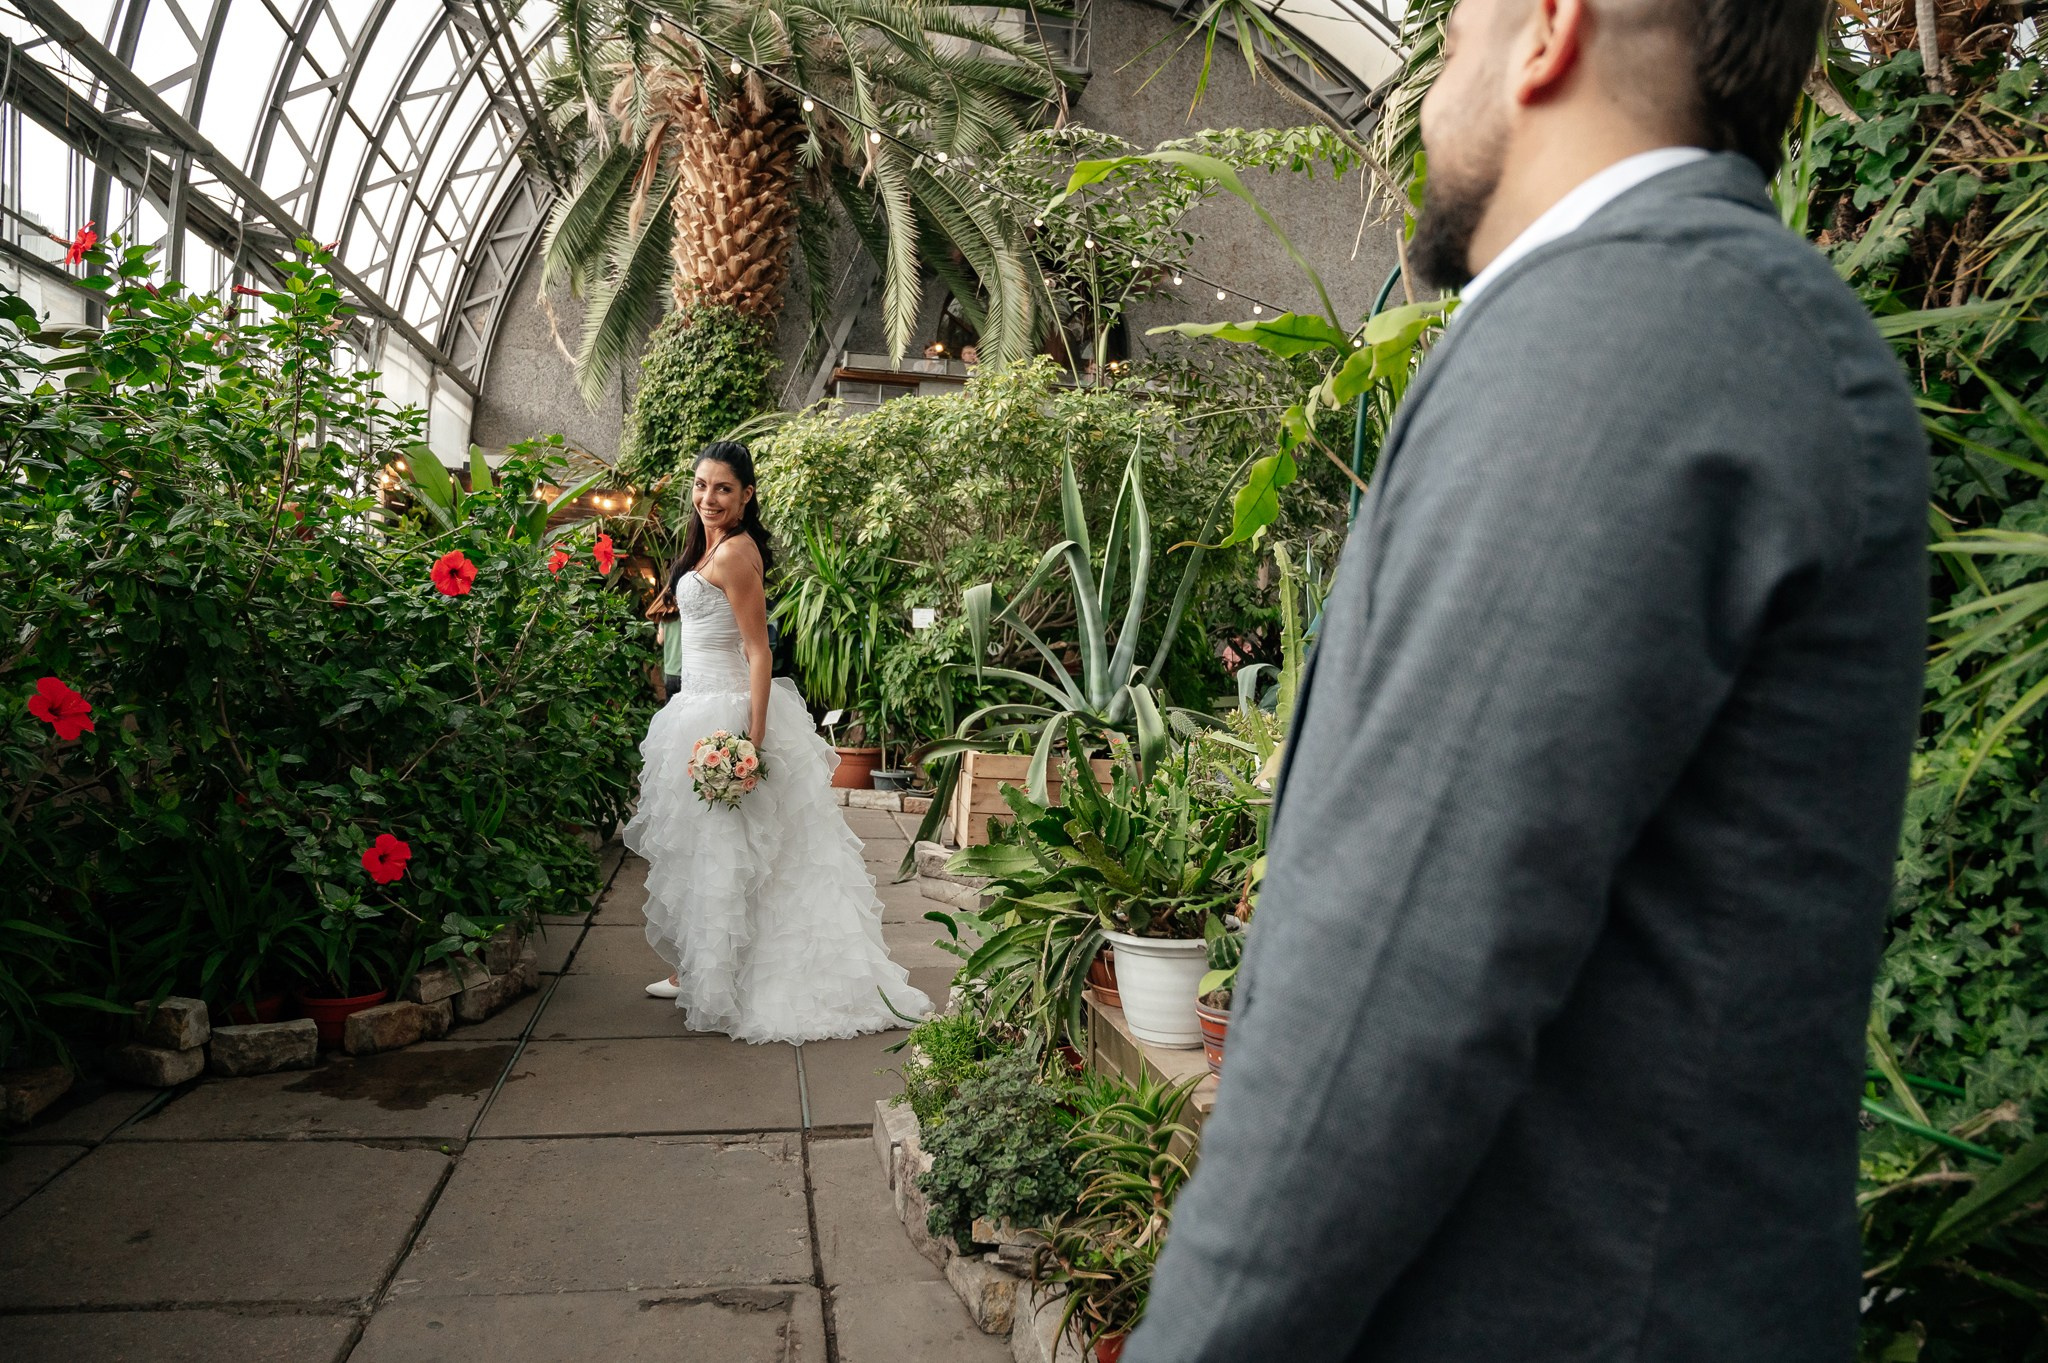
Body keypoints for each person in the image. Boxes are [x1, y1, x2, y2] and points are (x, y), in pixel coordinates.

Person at [1129, 2, 1925, 1360]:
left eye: (1447, 46)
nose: (1431, 96)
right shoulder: (1713, 316)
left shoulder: (1623, 331)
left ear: (1550, 29)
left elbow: (1394, 977)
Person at [624, 441, 930, 1043]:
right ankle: (700, 969)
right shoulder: (708, 544)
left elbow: (759, 652)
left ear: (747, 495)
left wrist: (752, 740)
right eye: (701, 485)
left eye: (723, 488)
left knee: (736, 851)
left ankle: (731, 978)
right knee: (710, 851)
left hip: (728, 714)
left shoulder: (737, 553)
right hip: (695, 708)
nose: (708, 498)